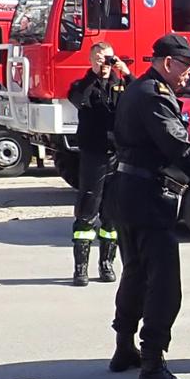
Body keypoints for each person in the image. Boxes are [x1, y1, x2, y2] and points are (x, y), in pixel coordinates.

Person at [105, 33, 190, 379]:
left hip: (128, 192)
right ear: (166, 63)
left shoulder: (140, 89)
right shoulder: (154, 95)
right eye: (185, 66)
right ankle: (152, 364)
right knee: (163, 284)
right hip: (147, 196)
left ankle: (124, 346)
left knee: (135, 273)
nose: (188, 74)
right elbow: (178, 146)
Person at [68, 42, 131, 287]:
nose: (103, 63)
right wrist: (93, 74)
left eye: (106, 58)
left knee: (112, 214)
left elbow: (141, 98)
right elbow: (76, 98)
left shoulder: (122, 83)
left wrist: (125, 71)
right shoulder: (84, 85)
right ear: (91, 60)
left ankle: (106, 264)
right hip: (93, 155)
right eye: (97, 58)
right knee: (87, 210)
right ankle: (80, 268)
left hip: (117, 154)